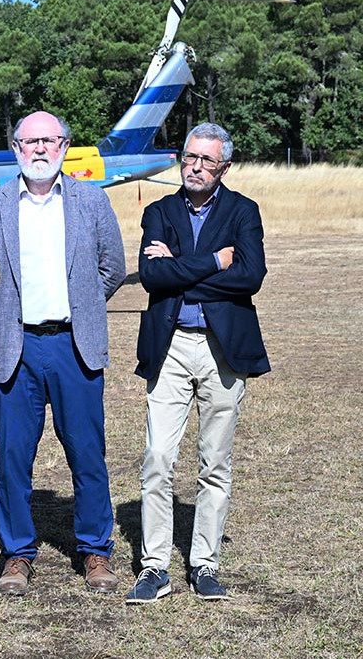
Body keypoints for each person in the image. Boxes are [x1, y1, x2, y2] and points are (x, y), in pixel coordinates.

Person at [0, 111, 126, 596]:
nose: (39, 149)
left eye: (48, 140)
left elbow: (113, 268)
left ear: (64, 145)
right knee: (13, 456)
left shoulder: (90, 200)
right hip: (16, 348)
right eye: (29, 141)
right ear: (15, 148)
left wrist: (77, 307)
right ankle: (17, 553)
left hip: (73, 345)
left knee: (87, 454)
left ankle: (95, 549)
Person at [125, 122, 270, 604]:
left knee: (215, 463)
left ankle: (204, 564)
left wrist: (181, 267)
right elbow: (150, 276)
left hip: (220, 350)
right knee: (158, 459)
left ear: (224, 167)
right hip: (168, 348)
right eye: (190, 158)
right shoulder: (159, 211)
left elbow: (250, 278)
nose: (196, 167)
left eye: (207, 161)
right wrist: (214, 260)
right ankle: (154, 567)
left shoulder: (243, 211)